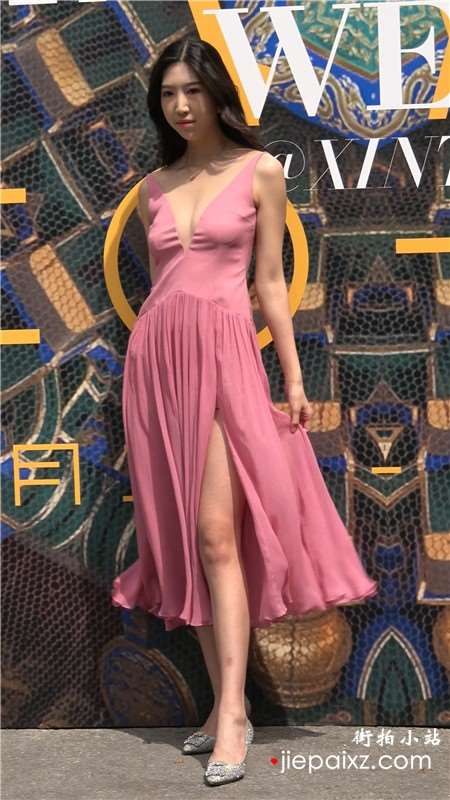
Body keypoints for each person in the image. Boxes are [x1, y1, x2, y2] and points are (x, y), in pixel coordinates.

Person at [111, 35, 378, 786]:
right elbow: (164, 286)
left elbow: (267, 283)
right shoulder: (152, 189)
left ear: (217, 94)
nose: (181, 105)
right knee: (187, 544)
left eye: (192, 90)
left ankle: (232, 711)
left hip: (225, 359)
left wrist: (291, 376)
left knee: (216, 535)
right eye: (168, 94)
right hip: (157, 367)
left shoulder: (260, 171)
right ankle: (223, 705)